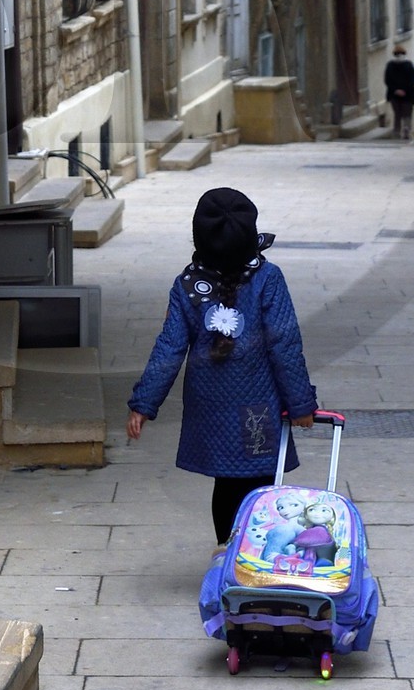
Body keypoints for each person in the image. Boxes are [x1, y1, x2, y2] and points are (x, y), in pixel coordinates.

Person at [125, 186, 317, 545]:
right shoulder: (268, 278)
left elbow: (169, 347)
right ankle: (257, 556)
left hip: (210, 406)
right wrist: (302, 404)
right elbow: (284, 346)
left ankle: (225, 553)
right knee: (261, 483)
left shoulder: (187, 284)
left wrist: (144, 404)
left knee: (226, 483)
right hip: (258, 406)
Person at [384, 44, 414, 140]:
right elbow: (413, 80)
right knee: (407, 114)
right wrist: (404, 90)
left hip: (394, 95)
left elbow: (387, 80)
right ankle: (406, 131)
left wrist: (396, 90)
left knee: (397, 114)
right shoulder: (409, 65)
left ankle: (396, 132)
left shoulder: (390, 65)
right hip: (407, 95)